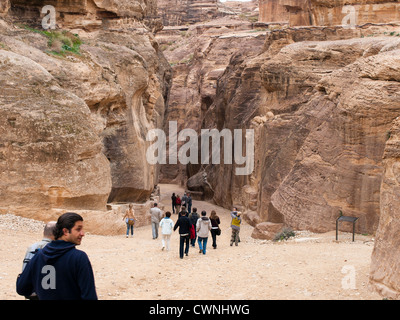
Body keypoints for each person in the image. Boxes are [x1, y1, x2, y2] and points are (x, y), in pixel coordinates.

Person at [16, 212, 98, 300]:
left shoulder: (39, 256)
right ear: (65, 231)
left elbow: (22, 289)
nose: (83, 233)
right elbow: (89, 296)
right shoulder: (79, 258)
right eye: (78, 229)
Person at [21, 221, 57, 300]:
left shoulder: (31, 248)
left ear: (43, 232)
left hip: (33, 294)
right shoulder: (57, 249)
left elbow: (25, 271)